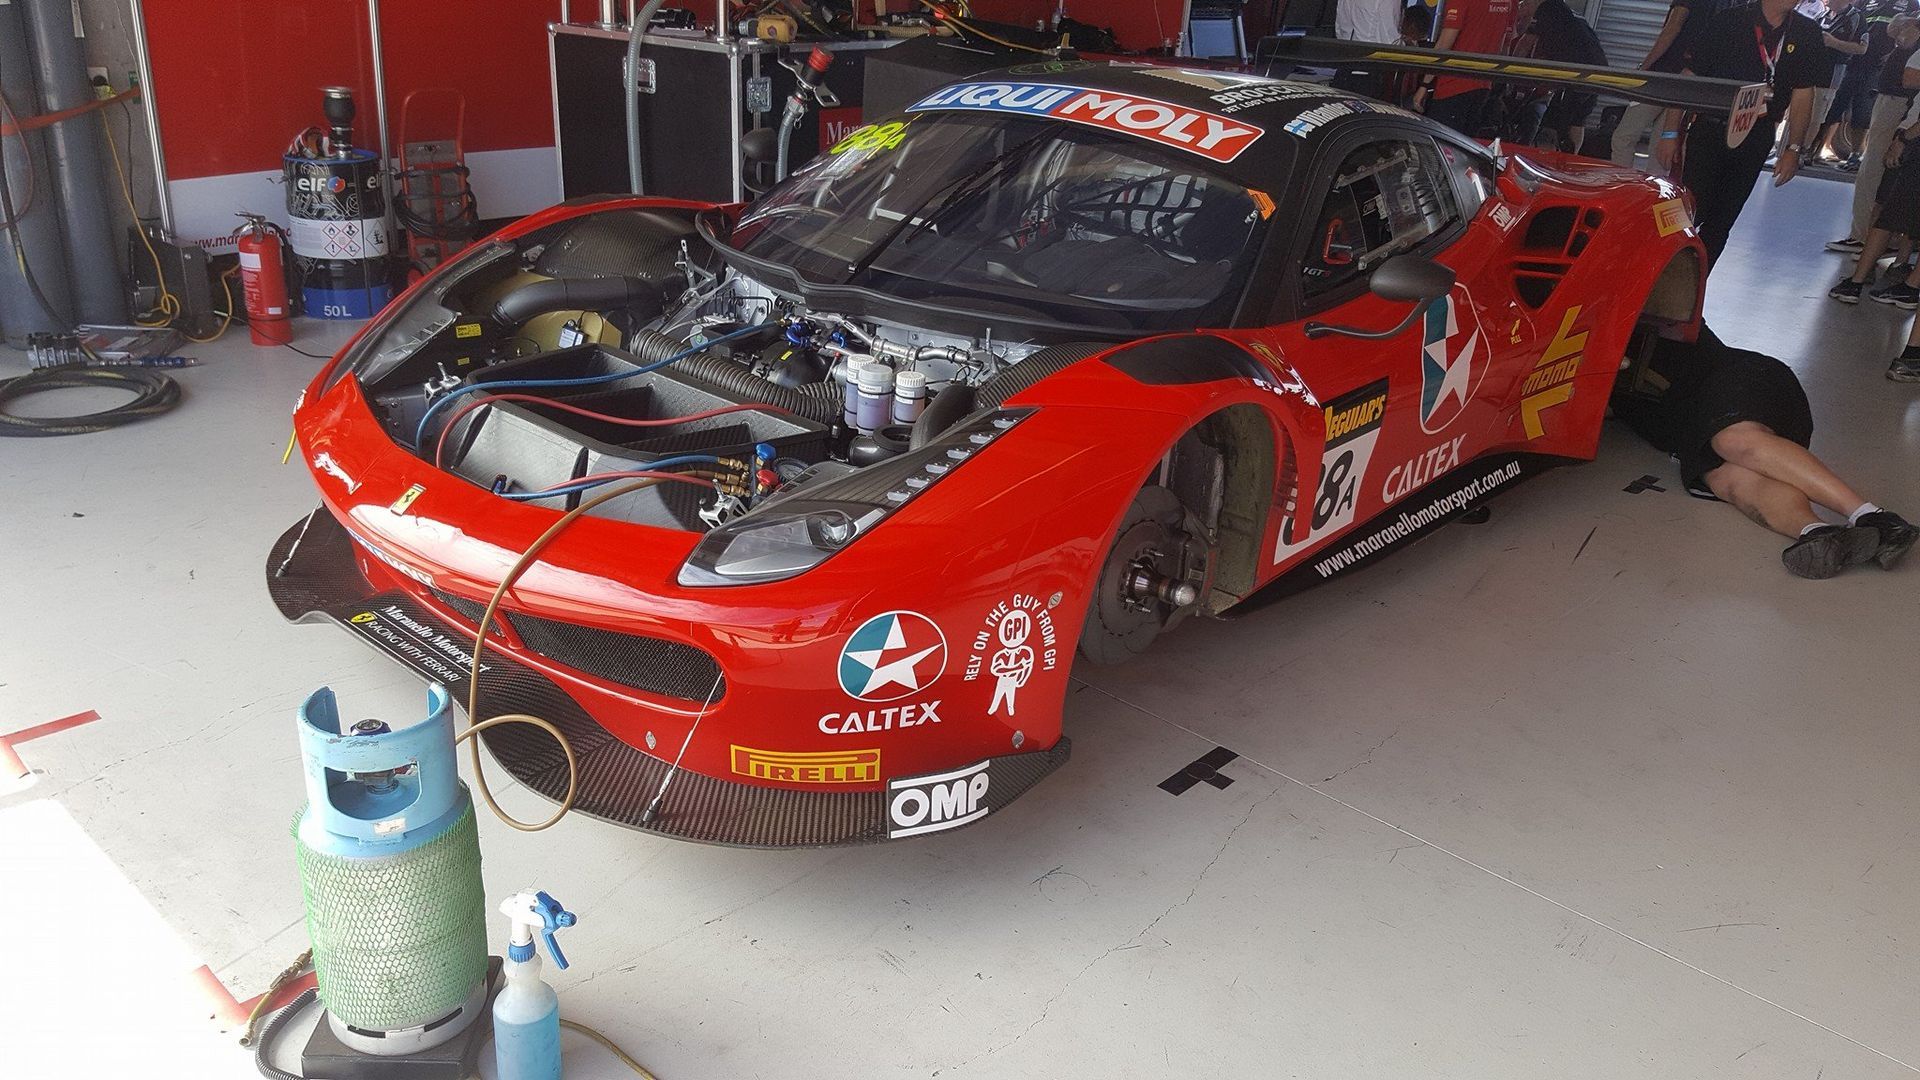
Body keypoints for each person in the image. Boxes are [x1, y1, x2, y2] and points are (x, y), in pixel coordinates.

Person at [1616, 327, 1917, 576]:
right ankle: (1819, 534)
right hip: (1693, 435)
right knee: (1727, 480)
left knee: (1733, 440)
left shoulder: (1638, 317)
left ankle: (1875, 517)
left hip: (1742, 383)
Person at [1652, 0, 1832, 268]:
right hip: (1711, 130)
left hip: (1757, 135)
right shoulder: (1729, 21)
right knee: (1687, 211)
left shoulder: (1806, 32)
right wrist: (1669, 134)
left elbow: (1804, 94)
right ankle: (1657, 283)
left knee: (1721, 222)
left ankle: (1693, 294)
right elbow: (1689, 77)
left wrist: (1793, 149)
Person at [1826, 13, 1920, 252]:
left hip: (1898, 101)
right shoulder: (1912, 19)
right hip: (1891, 98)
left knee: (1874, 170)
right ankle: (1868, 234)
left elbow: (1908, 64)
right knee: (1877, 169)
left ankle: (1864, 235)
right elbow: (1896, 34)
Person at [1612, 0, 1742, 167]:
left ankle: (1622, 186)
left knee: (1624, 137)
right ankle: (1655, 191)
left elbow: (1673, 27)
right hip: (1688, 83)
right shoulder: (1730, 6)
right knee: (1661, 147)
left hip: (1661, 77)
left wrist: (1644, 67)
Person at [1513, 0, 1610, 150]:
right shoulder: (1568, 13)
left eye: (1525, 3)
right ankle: (1569, 159)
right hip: (1598, 70)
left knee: (1556, 123)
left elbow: (1525, 44)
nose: (1522, 7)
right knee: (1576, 120)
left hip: (1578, 73)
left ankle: (1553, 160)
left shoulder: (1546, 11)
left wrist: (1510, 73)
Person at [1414, 0, 1518, 135]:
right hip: (1483, 86)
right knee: (1465, 145)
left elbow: (1444, 44)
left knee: (1441, 144)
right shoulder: (1510, 2)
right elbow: (1505, 46)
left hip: (1453, 85)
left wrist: (1424, 85)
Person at [1809, 0, 1870, 160]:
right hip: (1811, 70)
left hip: (1833, 72)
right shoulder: (1822, 14)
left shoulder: (1856, 17)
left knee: (1818, 114)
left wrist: (1833, 43)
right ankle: (1794, 148)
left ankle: (1806, 150)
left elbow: (1862, 48)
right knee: (1805, 109)